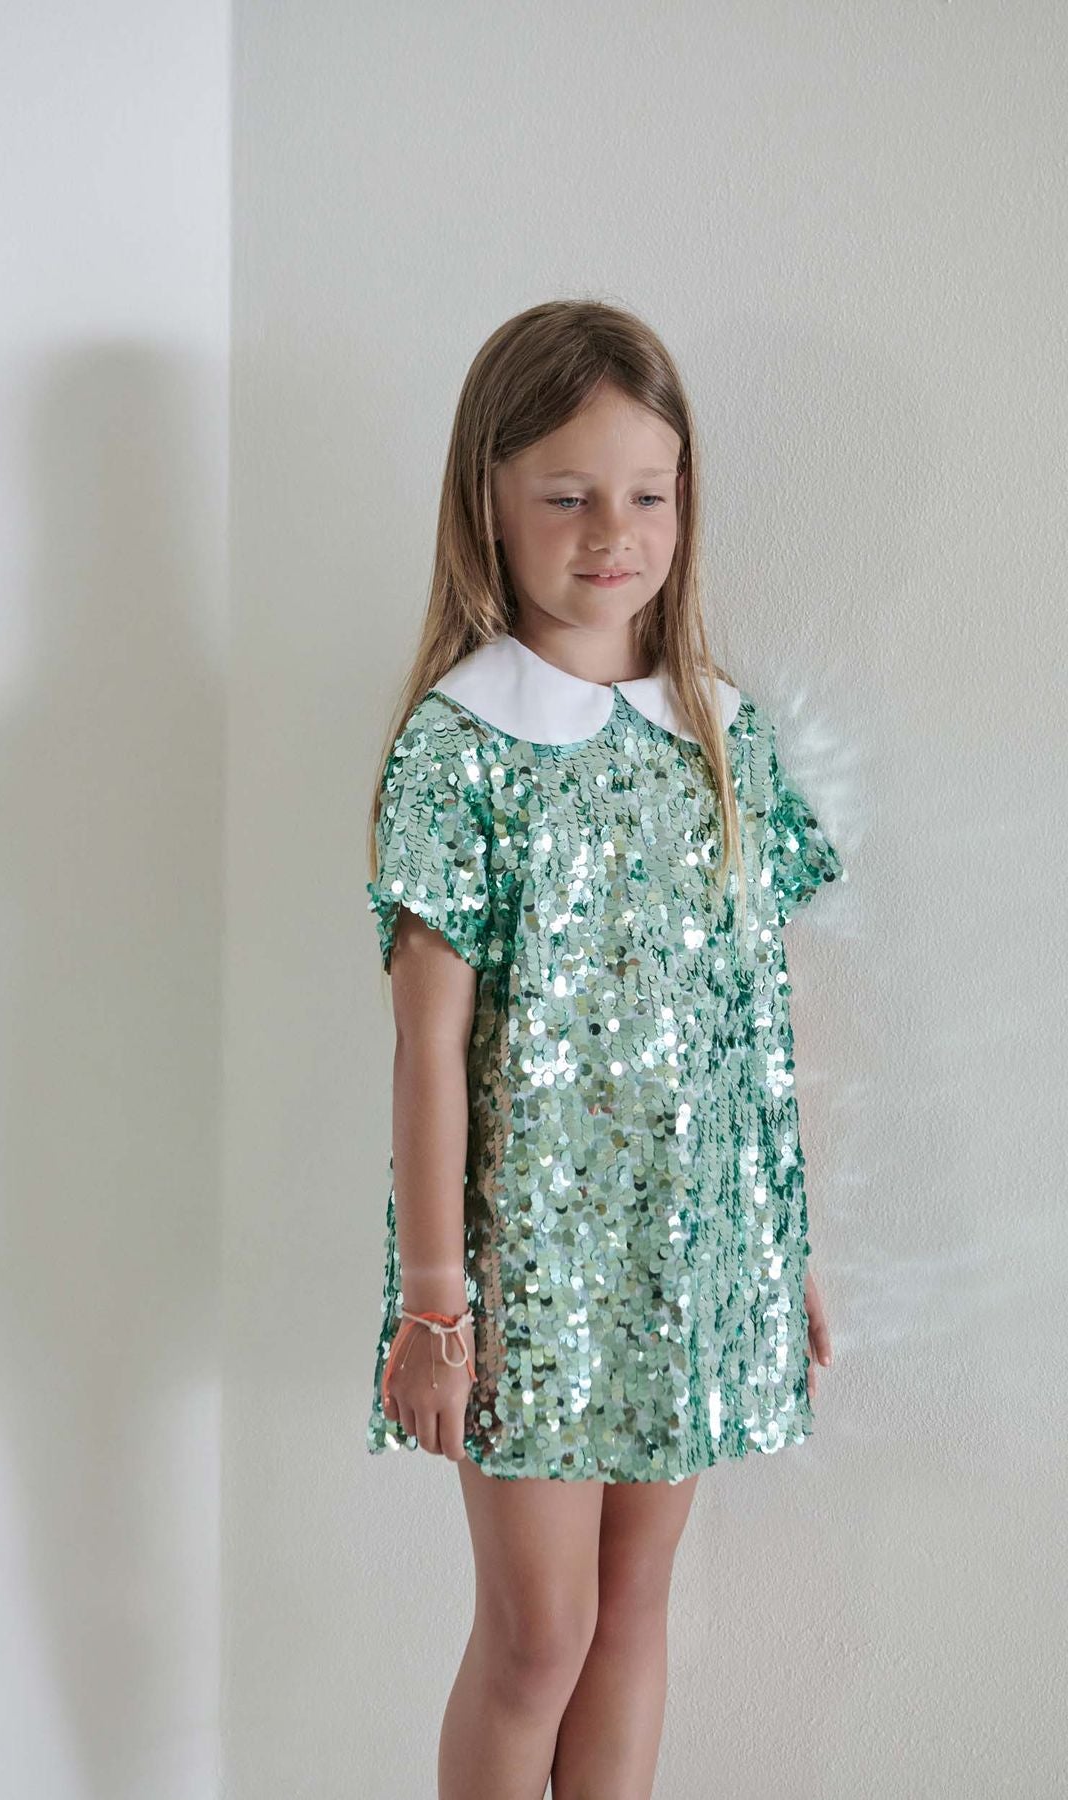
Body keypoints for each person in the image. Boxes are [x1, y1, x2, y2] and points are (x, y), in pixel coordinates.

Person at [361, 299, 847, 1800]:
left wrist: (778, 1244)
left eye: (649, 494)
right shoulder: (463, 744)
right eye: (568, 497)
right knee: (539, 1636)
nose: (614, 534)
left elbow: (751, 1022)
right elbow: (428, 1049)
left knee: (634, 1613)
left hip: (688, 1256)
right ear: (491, 502)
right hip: (529, 1279)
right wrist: (436, 1306)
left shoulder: (720, 732)